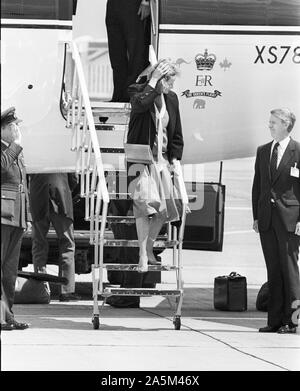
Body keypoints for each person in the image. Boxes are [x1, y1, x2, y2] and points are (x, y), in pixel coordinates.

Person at [127, 59, 184, 272]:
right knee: (143, 207)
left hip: (162, 161)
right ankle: (142, 254)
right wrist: (152, 81)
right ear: (160, 78)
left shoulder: (172, 99)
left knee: (165, 209)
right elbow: (140, 105)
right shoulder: (138, 91)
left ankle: (149, 246)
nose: (172, 86)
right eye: (169, 81)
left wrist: (175, 160)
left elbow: (176, 132)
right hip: (141, 159)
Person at [252, 108, 300, 334]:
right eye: (269, 121)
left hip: (290, 220)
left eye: (273, 122)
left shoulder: (297, 150)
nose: (269, 125)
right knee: (273, 270)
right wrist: (256, 216)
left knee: (289, 270)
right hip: (267, 220)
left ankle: (292, 321)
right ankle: (275, 321)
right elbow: (258, 186)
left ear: (286, 124)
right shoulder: (263, 151)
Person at [1, 107, 31, 331]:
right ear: (3, 130)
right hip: (2, 216)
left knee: (10, 272)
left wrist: (27, 215)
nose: (17, 129)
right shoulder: (10, 150)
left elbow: (22, 186)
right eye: (13, 126)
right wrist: (15, 146)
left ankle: (8, 315)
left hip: (16, 217)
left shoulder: (14, 150)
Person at [29, 173, 81, 302]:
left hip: (38, 196)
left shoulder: (33, 152)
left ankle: (40, 289)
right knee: (67, 245)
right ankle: (67, 291)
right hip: (60, 196)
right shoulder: (62, 152)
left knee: (38, 245)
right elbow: (73, 178)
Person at [106, 0, 151, 102]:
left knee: (136, 52)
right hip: (113, 5)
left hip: (135, 4)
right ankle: (118, 95)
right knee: (116, 54)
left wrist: (146, 1)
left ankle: (133, 94)